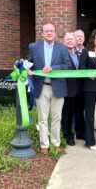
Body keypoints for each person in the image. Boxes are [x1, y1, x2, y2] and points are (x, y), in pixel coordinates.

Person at [27, 22, 70, 154]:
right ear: (42, 33)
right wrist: (28, 69)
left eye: (52, 31)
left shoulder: (62, 48)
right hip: (42, 87)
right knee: (43, 117)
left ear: (55, 33)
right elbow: (29, 63)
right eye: (47, 31)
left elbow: (66, 65)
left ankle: (56, 143)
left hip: (58, 86)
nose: (49, 33)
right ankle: (44, 145)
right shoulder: (34, 47)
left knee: (57, 117)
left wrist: (53, 68)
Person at [61, 32, 82, 146]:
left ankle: (77, 133)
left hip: (78, 90)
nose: (70, 41)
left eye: (71, 39)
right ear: (64, 41)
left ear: (75, 41)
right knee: (67, 115)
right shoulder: (61, 54)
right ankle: (67, 135)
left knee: (77, 113)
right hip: (67, 90)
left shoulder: (79, 54)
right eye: (67, 39)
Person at [73, 29, 87, 140]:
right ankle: (75, 131)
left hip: (85, 85)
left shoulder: (87, 51)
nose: (79, 38)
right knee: (74, 110)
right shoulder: (69, 51)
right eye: (77, 36)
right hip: (73, 85)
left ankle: (82, 131)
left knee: (83, 109)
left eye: (81, 36)